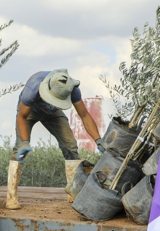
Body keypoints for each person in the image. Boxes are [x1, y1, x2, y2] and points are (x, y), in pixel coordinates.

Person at [7, 69, 105, 209]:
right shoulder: (33, 88)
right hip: (31, 111)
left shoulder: (72, 89)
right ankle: (11, 197)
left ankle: (73, 192)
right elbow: (22, 117)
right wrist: (24, 142)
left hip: (53, 115)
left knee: (70, 145)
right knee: (19, 148)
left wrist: (98, 140)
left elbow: (84, 115)